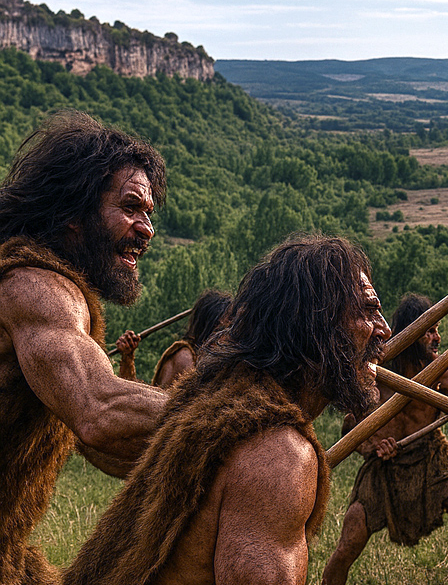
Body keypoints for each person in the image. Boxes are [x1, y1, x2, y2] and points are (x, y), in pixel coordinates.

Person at [64, 234, 392, 585]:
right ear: (316, 325)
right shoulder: (278, 453)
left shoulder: (229, 412)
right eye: (368, 310)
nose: (385, 330)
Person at [0, 110, 170, 583]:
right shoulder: (35, 286)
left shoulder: (51, 290)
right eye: (131, 207)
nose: (146, 228)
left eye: (148, 214)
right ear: (74, 213)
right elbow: (97, 409)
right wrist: (228, 411)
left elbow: (104, 447)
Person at [323, 293, 448, 585]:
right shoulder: (378, 370)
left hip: (431, 460)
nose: (437, 337)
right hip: (383, 472)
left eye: (437, 329)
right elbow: (351, 427)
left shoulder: (446, 371)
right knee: (348, 546)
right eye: (430, 330)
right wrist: (373, 446)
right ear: (411, 332)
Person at [112, 288, 232, 387]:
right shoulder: (185, 357)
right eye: (221, 331)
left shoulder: (207, 359)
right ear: (209, 327)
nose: (225, 339)